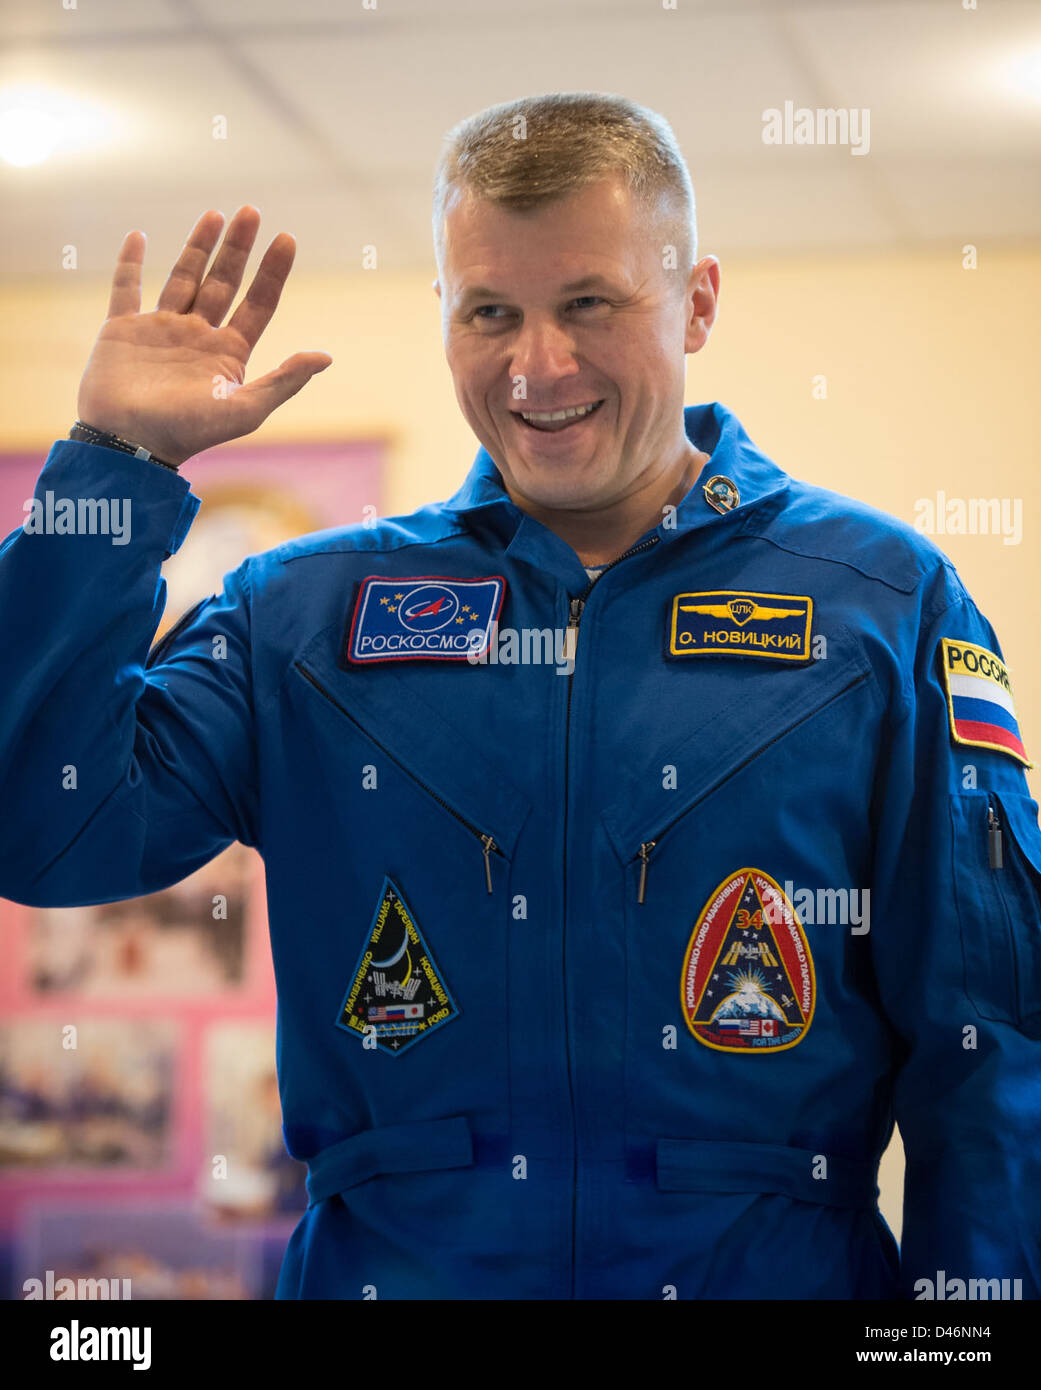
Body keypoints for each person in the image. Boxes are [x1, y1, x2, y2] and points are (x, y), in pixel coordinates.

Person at [1, 91, 1039, 1301]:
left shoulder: (880, 603)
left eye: (589, 303)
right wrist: (115, 471)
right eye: (490, 311)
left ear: (697, 302)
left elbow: (990, 1050)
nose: (538, 366)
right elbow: (46, 830)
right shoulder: (305, 615)